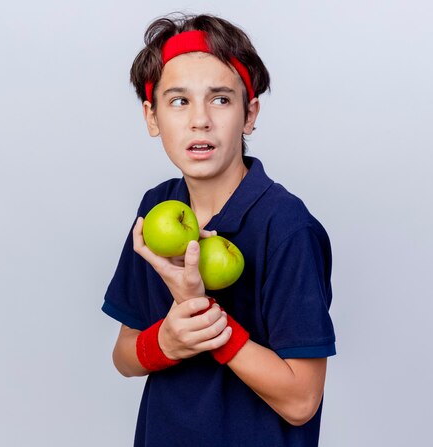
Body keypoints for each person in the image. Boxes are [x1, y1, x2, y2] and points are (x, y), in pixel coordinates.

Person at [102, 13, 336, 446]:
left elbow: (302, 400)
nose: (200, 120)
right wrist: (167, 340)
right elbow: (124, 356)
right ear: (151, 117)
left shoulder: (287, 227)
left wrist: (204, 317)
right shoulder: (157, 207)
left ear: (250, 114)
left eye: (221, 99)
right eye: (178, 101)